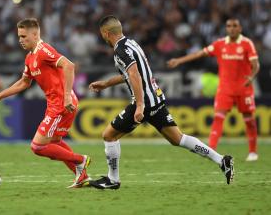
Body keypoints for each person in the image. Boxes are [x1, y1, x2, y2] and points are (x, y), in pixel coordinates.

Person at [88, 15, 234, 190]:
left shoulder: (120, 50)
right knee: (178, 138)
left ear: (105, 33)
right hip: (155, 98)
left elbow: (134, 74)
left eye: (102, 34)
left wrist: (140, 105)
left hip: (145, 102)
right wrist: (106, 83)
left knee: (108, 135)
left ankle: (113, 179)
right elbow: (132, 73)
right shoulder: (132, 44)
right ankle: (221, 160)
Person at [0, 18, 91, 188]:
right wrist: (0, 96)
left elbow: (69, 66)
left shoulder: (44, 50)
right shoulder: (30, 58)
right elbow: (24, 83)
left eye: (24, 36)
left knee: (37, 146)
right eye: (19, 36)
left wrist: (67, 96)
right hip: (58, 104)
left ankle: (80, 160)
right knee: (54, 142)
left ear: (35, 34)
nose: (20, 40)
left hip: (61, 104)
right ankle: (82, 176)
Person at [167, 18, 260, 162]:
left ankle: (253, 152)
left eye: (235, 26)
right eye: (229, 26)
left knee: (249, 120)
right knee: (218, 117)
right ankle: (210, 150)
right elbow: (199, 54)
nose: (231, 28)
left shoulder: (247, 44)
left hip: (244, 88)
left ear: (240, 28)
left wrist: (251, 77)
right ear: (226, 28)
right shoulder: (220, 44)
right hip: (225, 89)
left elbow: (256, 65)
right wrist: (179, 60)